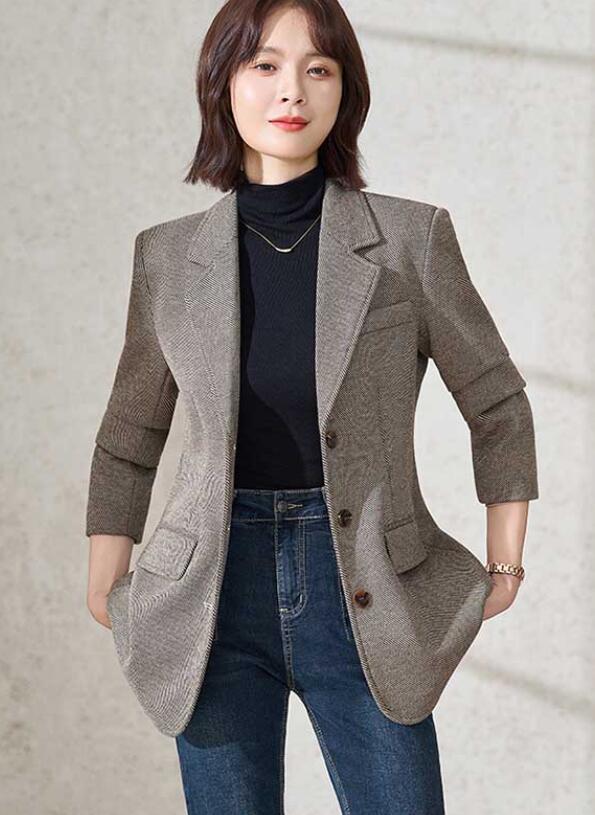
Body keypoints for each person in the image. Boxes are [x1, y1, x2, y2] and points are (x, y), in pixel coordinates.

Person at [85, 1, 538, 812]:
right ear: (222, 83)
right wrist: (106, 570)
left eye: (317, 68)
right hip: (209, 593)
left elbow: (496, 399)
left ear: (343, 91)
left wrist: (504, 559)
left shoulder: (409, 239)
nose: (291, 88)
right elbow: (131, 430)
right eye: (264, 64)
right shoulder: (166, 257)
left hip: (367, 580)